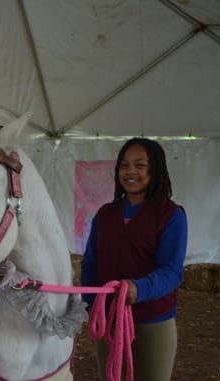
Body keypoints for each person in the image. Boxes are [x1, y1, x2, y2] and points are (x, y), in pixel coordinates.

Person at [80, 137, 188, 381]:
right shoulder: (106, 214)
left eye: (140, 165)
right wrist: (89, 305)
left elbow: (171, 272)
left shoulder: (171, 216)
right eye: (124, 165)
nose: (130, 171)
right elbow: (91, 264)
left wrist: (138, 288)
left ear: (155, 169)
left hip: (153, 321)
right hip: (109, 320)